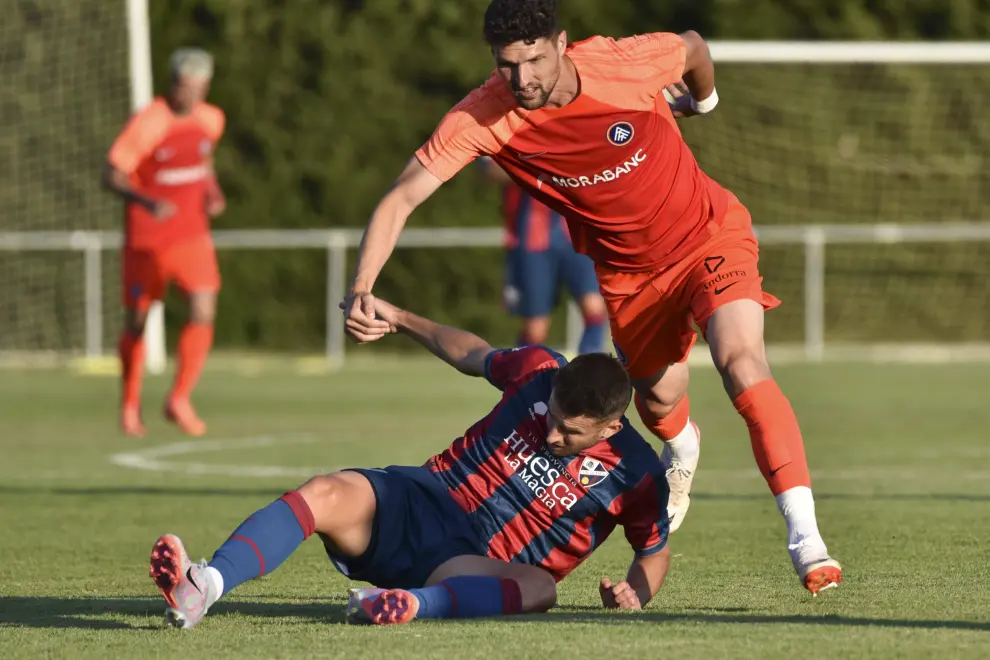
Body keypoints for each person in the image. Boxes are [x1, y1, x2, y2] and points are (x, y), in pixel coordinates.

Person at [341, 0, 841, 594]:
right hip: (630, 280)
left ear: (561, 43)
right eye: (506, 65)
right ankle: (682, 443)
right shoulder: (483, 117)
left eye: (532, 60)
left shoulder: (622, 64)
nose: (521, 79)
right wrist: (361, 286)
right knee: (658, 403)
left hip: (711, 236)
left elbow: (695, 46)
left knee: (742, 362)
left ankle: (807, 540)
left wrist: (703, 103)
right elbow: (402, 196)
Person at [148, 298, 672, 628]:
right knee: (326, 490)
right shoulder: (539, 370)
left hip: (471, 562)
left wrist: (636, 593)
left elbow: (653, 552)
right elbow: (474, 353)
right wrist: (399, 317)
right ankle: (204, 586)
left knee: (541, 589)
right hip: (426, 495)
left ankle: (412, 605)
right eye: (553, 415)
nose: (552, 433)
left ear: (609, 426)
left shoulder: (636, 472)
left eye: (570, 432)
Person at [104, 48, 226, 438]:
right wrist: (146, 201)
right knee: (137, 323)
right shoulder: (149, 122)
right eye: (185, 87)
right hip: (148, 239)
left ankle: (179, 398)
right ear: (173, 83)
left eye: (199, 88)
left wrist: (212, 191)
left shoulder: (211, 119)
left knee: (204, 308)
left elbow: (203, 161)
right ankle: (129, 403)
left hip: (192, 234)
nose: (191, 96)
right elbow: (112, 174)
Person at [481, 157, 607, 353]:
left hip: (574, 236)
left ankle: (589, 371)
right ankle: (525, 375)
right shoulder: (506, 132)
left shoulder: (573, 130)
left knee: (595, 308)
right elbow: (490, 171)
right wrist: (535, 167)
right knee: (536, 328)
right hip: (532, 241)